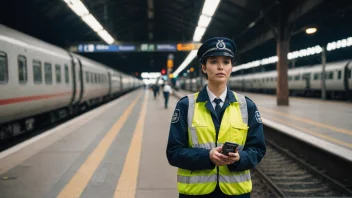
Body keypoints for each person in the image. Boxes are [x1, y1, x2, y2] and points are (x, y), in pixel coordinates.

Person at [166, 37, 266, 198]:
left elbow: (258, 149)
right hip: (196, 194)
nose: (220, 67)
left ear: (231, 67)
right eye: (213, 62)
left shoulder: (247, 106)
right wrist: (207, 156)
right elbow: (173, 153)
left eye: (226, 62)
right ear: (204, 68)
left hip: (236, 194)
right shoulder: (186, 106)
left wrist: (240, 158)